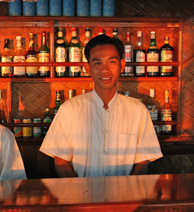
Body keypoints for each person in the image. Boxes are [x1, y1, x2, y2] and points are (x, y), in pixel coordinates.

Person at [40, 34, 163, 178]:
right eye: (97, 63)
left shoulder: (138, 110)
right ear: (87, 68)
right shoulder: (69, 109)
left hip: (124, 196)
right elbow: (60, 161)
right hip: (81, 195)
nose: (105, 70)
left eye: (111, 62)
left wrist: (128, 191)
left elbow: (143, 160)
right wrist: (80, 194)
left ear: (122, 65)